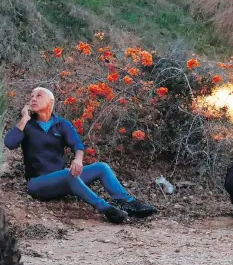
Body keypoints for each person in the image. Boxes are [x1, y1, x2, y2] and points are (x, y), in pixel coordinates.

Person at [4, 87, 157, 224]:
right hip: (37, 184)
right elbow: (10, 143)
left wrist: (78, 159)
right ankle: (107, 209)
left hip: (63, 181)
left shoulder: (62, 124)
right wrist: (24, 118)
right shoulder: (27, 126)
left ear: (50, 102)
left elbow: (77, 145)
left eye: (38, 95)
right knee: (67, 174)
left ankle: (127, 202)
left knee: (102, 167)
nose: (33, 99)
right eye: (31, 96)